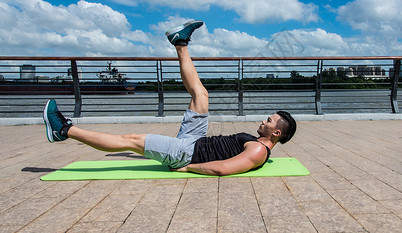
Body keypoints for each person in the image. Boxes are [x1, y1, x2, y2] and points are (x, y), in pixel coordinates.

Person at [43, 20, 296, 176]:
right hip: (196, 140)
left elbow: (222, 168)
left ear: (276, 133)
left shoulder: (258, 151)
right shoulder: (257, 142)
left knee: (130, 140)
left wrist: (187, 167)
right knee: (201, 93)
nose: (265, 120)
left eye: (270, 120)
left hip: (186, 153)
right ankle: (181, 42)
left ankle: (64, 130)